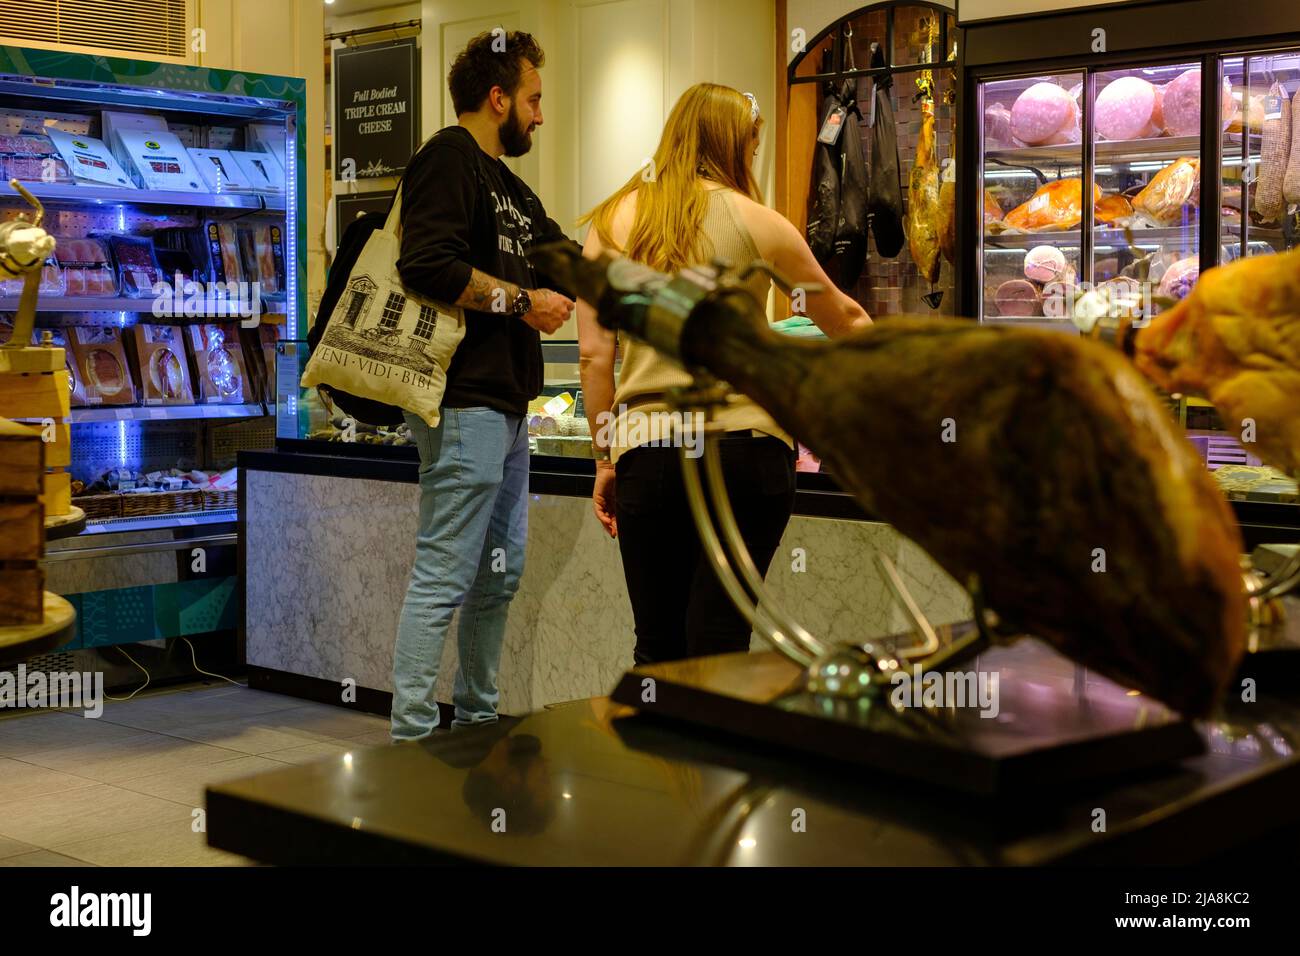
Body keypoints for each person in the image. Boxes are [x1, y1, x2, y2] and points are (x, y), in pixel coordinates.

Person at [577, 83, 871, 665]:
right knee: (721, 646)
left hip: (649, 450)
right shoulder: (761, 225)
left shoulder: (611, 226)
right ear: (737, 145)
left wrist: (605, 458)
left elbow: (593, 356)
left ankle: (659, 757)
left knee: (657, 646)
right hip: (748, 453)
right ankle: (714, 757)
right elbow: (847, 321)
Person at [390, 30, 574, 740]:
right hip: (463, 403)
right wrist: (524, 302)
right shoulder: (447, 159)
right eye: (532, 99)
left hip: (508, 410)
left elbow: (566, 258)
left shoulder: (511, 189)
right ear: (497, 98)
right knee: (444, 575)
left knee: (498, 575)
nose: (538, 114)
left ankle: (475, 722)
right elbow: (427, 267)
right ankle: (409, 739)